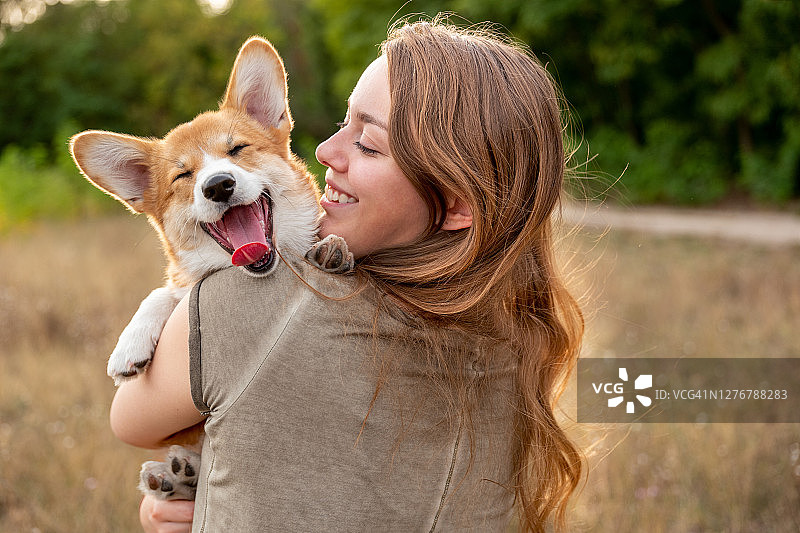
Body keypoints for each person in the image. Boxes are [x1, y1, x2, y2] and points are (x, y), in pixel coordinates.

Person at [112, 18, 584, 533]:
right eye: (344, 122)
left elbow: (129, 420)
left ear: (453, 203)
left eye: (369, 144)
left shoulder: (246, 307)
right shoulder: (522, 336)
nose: (323, 151)